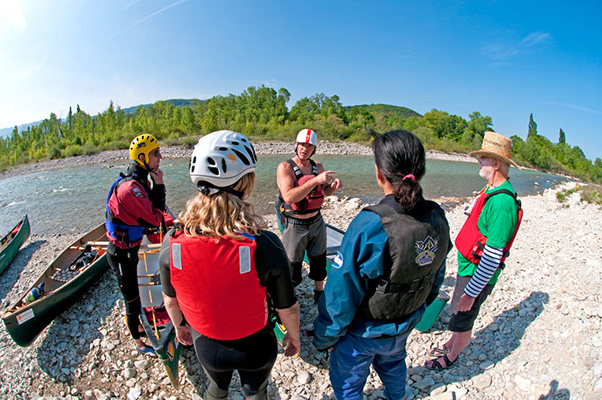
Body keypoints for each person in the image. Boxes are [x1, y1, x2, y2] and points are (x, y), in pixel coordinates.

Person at [159, 130, 300, 400]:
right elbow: (288, 308)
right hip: (256, 345)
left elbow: (170, 302)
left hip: (208, 346)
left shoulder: (172, 243)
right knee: (256, 390)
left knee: (217, 387)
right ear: (244, 182)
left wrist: (179, 327)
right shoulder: (265, 244)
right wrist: (294, 337)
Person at [313, 129, 451, 400]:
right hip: (404, 323)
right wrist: (417, 310)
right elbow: (436, 274)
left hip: (362, 332)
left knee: (349, 383)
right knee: (394, 364)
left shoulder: (371, 223)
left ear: (379, 173)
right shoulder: (437, 216)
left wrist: (324, 336)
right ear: (421, 170)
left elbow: (341, 292)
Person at [425, 130, 523, 371]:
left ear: (497, 163)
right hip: (468, 265)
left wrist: (471, 292)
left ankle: (453, 354)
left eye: (484, 158)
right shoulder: (489, 189)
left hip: (476, 271)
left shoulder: (502, 203)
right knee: (457, 310)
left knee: (463, 311)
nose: (478, 161)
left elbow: (492, 255)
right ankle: (452, 340)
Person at [105, 133, 166, 357]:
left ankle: (139, 326)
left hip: (129, 248)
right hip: (121, 253)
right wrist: (160, 186)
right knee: (131, 298)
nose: (160, 157)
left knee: (134, 295)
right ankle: (138, 342)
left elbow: (150, 212)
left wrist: (156, 185)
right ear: (142, 157)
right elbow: (154, 218)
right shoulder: (131, 188)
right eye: (155, 153)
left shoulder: (141, 179)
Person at [276, 128, 343, 302]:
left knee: (319, 259)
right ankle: (290, 298)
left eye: (309, 146)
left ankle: (318, 293)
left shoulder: (317, 166)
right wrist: (315, 180)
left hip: (316, 221)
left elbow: (323, 192)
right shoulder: (285, 167)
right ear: (296, 145)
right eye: (302, 145)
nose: (305, 149)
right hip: (295, 224)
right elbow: (289, 196)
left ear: (314, 149)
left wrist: (333, 188)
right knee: (292, 264)